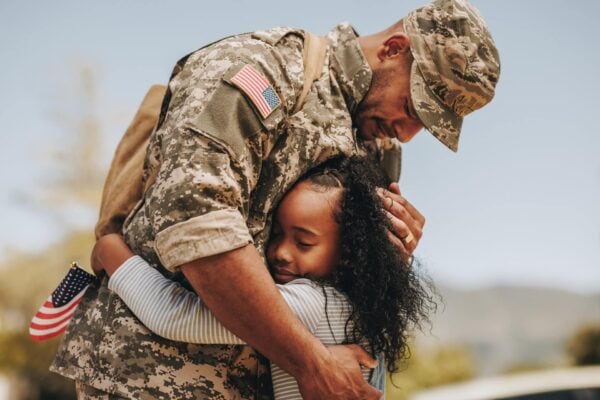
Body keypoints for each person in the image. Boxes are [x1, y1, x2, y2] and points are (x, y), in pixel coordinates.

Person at [50, 0, 500, 398]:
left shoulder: (378, 145)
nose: (408, 131)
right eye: (414, 105)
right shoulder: (262, 70)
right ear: (393, 48)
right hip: (157, 377)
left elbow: (347, 282)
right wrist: (310, 362)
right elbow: (199, 228)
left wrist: (393, 254)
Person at [91, 156, 436, 400]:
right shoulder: (365, 307)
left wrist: (111, 251)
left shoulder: (313, 303)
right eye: (277, 234)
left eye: (304, 241)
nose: (281, 253)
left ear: (350, 251)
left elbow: (174, 316)